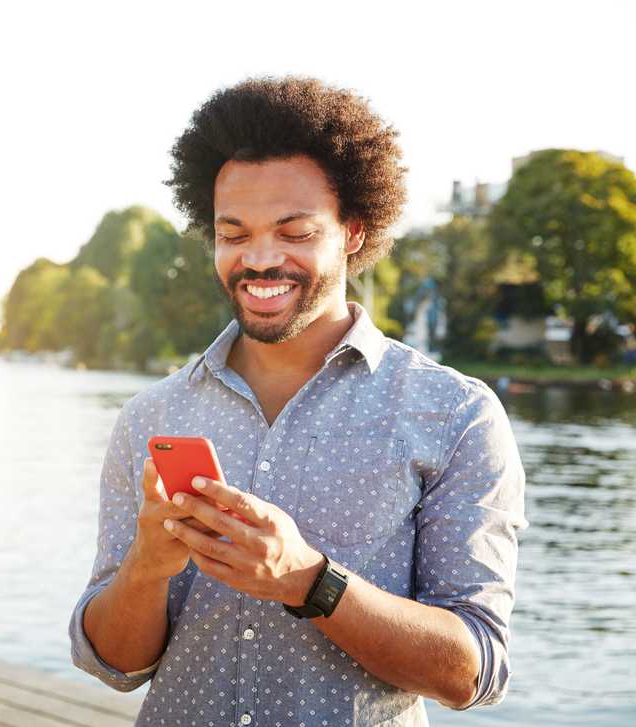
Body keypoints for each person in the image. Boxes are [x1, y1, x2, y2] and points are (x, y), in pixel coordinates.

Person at [68, 76, 528, 726]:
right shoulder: (152, 418)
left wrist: (310, 580)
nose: (260, 259)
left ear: (354, 232)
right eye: (234, 234)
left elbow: (472, 669)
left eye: (294, 231)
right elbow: (112, 664)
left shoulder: (454, 415)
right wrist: (146, 567)